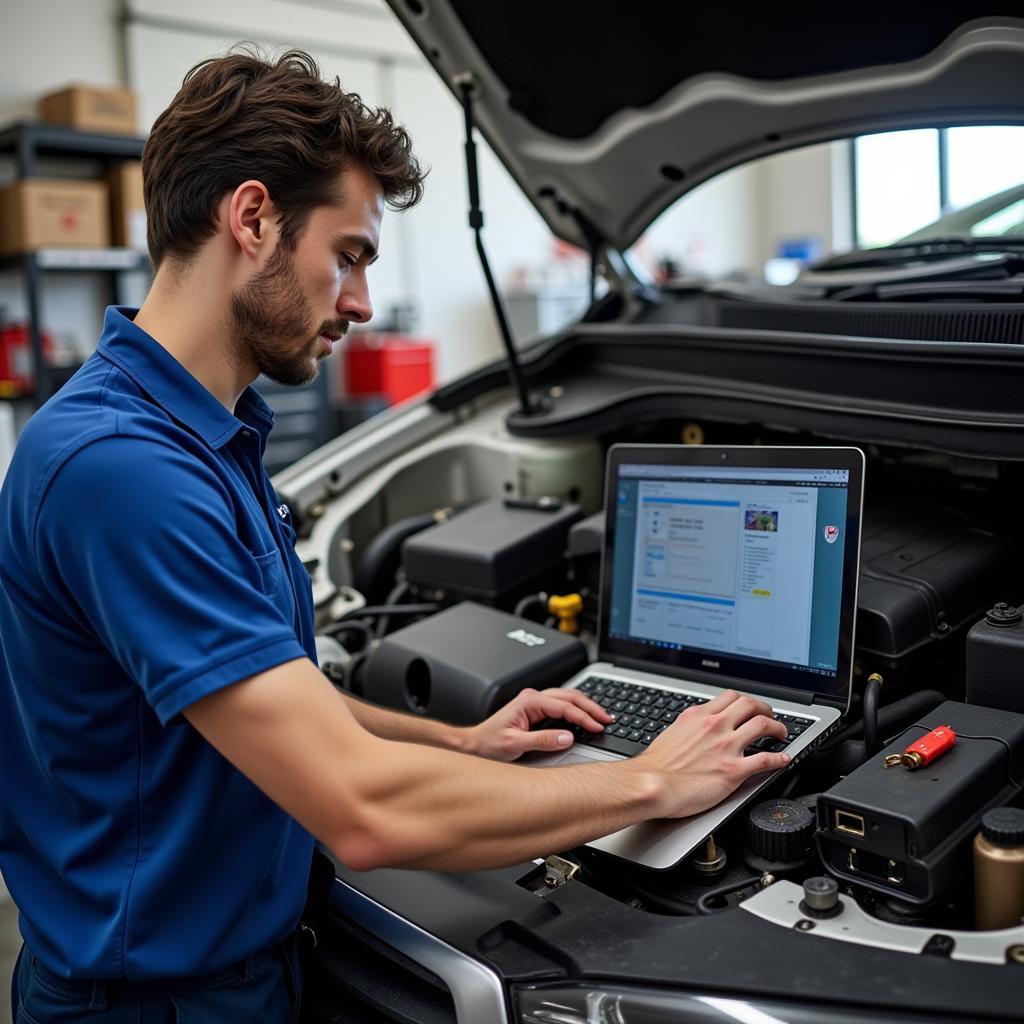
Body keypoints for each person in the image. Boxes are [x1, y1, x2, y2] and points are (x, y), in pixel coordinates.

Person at [0, 49, 790, 1023]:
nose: (363, 304)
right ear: (250, 219)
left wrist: (459, 741)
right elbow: (360, 807)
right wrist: (649, 781)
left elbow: (283, 704)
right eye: (350, 254)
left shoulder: (202, 435)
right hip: (154, 1003)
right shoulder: (124, 469)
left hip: (238, 963)